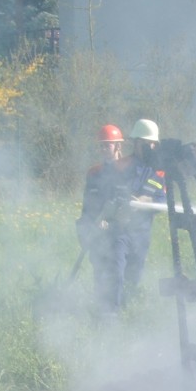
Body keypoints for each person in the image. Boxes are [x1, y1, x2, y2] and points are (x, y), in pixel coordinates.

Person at [75, 119, 166, 311]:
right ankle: (108, 316)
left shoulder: (158, 172)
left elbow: (161, 200)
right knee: (113, 271)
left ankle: (124, 312)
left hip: (140, 235)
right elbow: (102, 199)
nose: (150, 147)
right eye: (146, 143)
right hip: (118, 232)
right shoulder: (120, 166)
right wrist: (97, 221)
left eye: (153, 144)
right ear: (136, 143)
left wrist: (142, 201)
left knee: (133, 278)